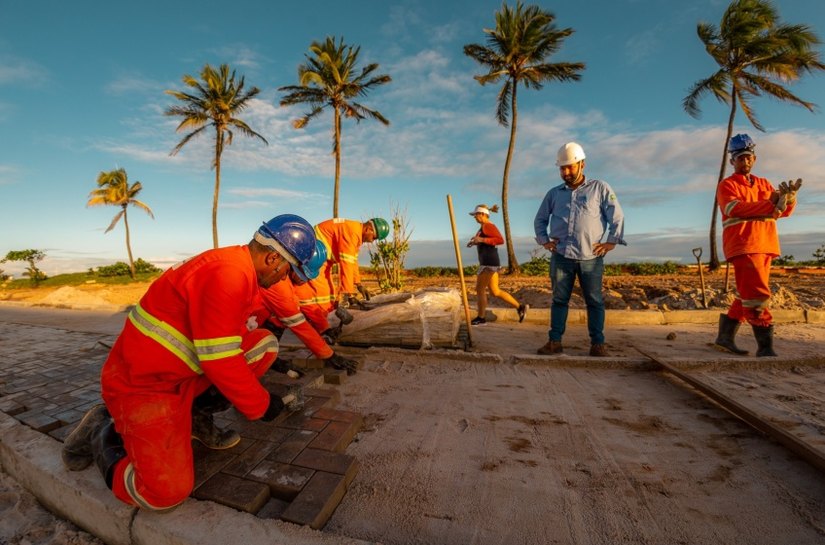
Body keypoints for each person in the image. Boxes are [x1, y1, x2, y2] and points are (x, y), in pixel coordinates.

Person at [61, 214, 317, 512]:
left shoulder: (237, 268)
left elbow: (227, 342)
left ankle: (193, 415)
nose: (285, 278)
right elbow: (220, 360)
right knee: (164, 493)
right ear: (273, 258)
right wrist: (262, 405)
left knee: (263, 344)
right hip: (144, 385)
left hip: (176, 374)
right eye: (288, 270)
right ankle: (102, 429)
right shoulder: (230, 275)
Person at [533, 142, 626, 357]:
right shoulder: (554, 194)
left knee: (594, 300)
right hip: (561, 256)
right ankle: (554, 341)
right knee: (559, 300)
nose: (565, 172)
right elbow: (540, 219)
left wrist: (612, 241)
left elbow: (616, 216)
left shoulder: (600, 188)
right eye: (562, 168)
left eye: (570, 167)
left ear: (582, 164)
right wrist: (544, 241)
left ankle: (598, 344)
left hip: (591, 257)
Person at [714, 133, 800, 357]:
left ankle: (724, 337)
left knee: (746, 293)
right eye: (740, 158)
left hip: (765, 244)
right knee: (757, 295)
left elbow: (780, 212)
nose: (745, 161)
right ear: (732, 160)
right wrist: (769, 203)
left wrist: (788, 199)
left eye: (749, 157)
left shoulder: (764, 184)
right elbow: (734, 209)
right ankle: (765, 348)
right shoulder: (727, 185)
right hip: (743, 245)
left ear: (754, 158)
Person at [257, 239, 359, 375]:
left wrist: (325, 329)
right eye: (303, 274)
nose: (304, 280)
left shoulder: (293, 279)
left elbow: (309, 306)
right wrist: (330, 356)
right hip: (248, 326)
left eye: (308, 277)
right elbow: (298, 325)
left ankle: (265, 355)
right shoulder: (278, 283)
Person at [292, 217, 389, 341]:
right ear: (368, 229)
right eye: (374, 237)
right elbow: (346, 264)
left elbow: (352, 262)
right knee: (321, 292)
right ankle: (322, 329)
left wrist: (358, 283)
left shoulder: (355, 233)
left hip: (322, 260)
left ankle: (327, 323)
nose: (372, 241)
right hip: (314, 259)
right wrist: (347, 294)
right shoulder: (352, 233)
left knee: (331, 293)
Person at [466, 204, 528, 325]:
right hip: (490, 262)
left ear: (483, 214)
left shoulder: (488, 226)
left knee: (479, 289)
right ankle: (520, 307)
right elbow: (487, 241)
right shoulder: (483, 227)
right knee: (495, 291)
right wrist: (475, 242)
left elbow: (500, 240)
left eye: (476, 215)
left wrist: (482, 240)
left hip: (488, 263)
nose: (474, 217)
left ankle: (481, 318)